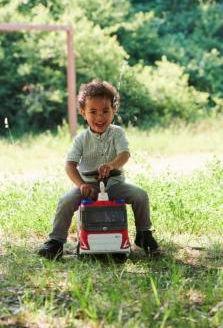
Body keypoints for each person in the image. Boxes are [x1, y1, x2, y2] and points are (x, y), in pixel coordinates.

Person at [38, 79, 160, 259]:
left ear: (114, 111)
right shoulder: (81, 139)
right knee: (66, 201)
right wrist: (80, 185)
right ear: (83, 113)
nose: (100, 117)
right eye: (93, 112)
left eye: (105, 111)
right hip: (89, 187)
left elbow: (125, 154)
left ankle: (144, 234)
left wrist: (111, 165)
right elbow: (70, 165)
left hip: (115, 186)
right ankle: (56, 241)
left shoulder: (117, 133)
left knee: (140, 195)